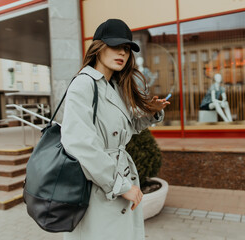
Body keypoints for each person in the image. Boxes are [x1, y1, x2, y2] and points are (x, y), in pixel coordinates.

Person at [61, 19, 170, 240]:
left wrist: (153, 112)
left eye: (127, 48)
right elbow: (80, 144)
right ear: (98, 47)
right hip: (98, 186)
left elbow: (126, 127)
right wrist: (120, 185)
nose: (122, 52)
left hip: (117, 179)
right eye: (116, 45)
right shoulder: (83, 84)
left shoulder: (114, 86)